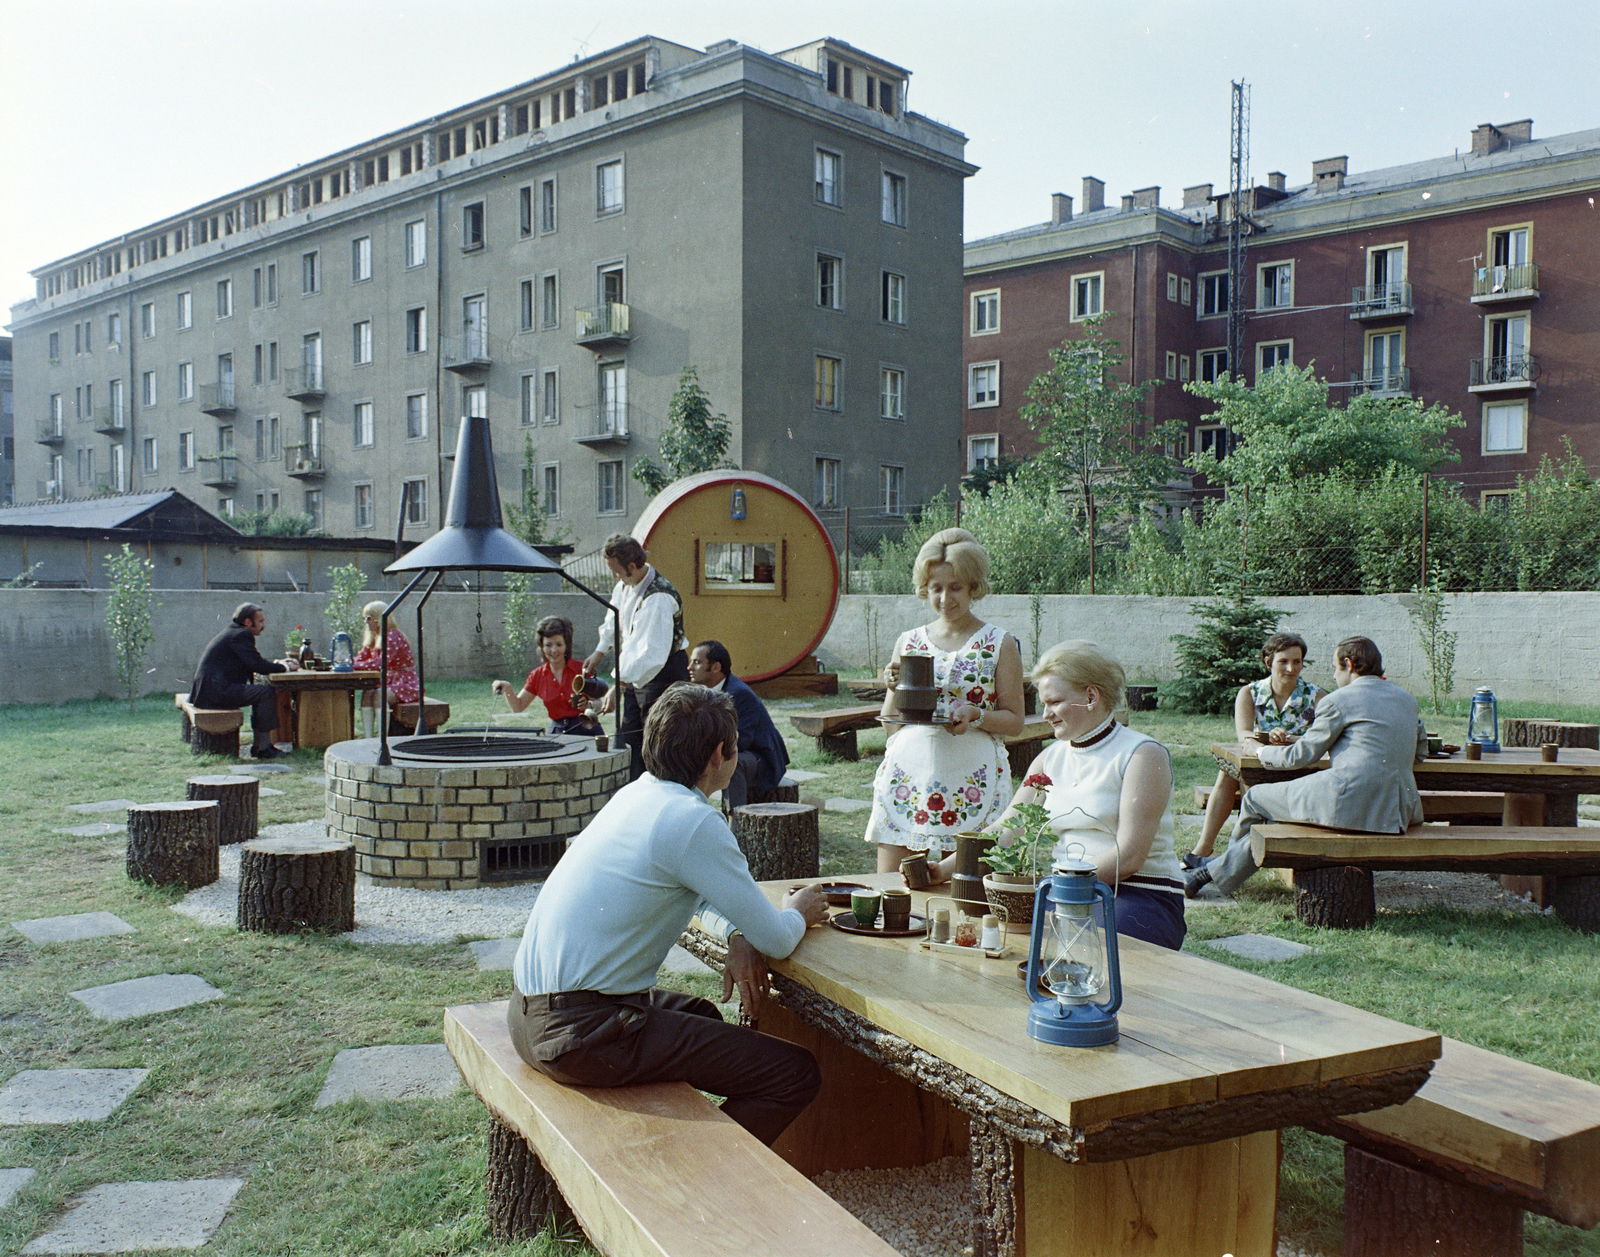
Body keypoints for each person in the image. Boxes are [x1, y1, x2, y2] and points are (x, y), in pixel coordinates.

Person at [507, 682, 830, 1146]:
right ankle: (705, 1170)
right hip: (580, 1037)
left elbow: (698, 897)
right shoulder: (694, 821)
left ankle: (698, 1136)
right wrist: (799, 910)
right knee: (794, 1073)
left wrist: (739, 931)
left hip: (529, 1017)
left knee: (701, 1013)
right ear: (719, 755)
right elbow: (779, 939)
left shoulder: (638, 794)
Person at [1184, 636, 1427, 900]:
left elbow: (1301, 756)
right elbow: (1421, 754)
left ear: (1348, 664)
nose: (1334, 677)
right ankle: (1215, 869)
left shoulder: (1338, 700)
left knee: (1255, 798)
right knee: (1277, 817)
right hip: (1399, 810)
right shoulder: (1407, 699)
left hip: (1347, 803)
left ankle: (1215, 871)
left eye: (1335, 668)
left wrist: (1260, 751)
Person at [983, 640, 1185, 949]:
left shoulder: (1142, 754)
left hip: (1138, 894)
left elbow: (1129, 856)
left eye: (1054, 702)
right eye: (1043, 704)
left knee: (1081, 950)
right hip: (1064, 892)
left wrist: (1055, 887)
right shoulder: (1049, 759)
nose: (1046, 714)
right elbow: (1009, 829)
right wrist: (944, 867)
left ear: (1091, 696)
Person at [865, 528, 1025, 872]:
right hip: (911, 775)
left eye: (955, 587)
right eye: (936, 588)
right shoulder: (908, 641)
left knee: (969, 886)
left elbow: (1015, 721)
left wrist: (976, 715)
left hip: (974, 775)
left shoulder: (999, 643)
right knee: (895, 885)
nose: (945, 598)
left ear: (973, 588)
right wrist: (893, 687)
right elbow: (890, 726)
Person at [1185, 632, 1325, 870]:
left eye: (1297, 661)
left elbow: (1324, 739)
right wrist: (1265, 739)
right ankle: (1208, 848)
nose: (1291, 668)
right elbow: (1245, 736)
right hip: (1262, 764)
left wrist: (1290, 739)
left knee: (1234, 773)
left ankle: (1224, 853)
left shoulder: (1317, 696)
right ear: (1268, 662)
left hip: (1301, 769)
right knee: (1230, 770)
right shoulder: (1249, 693)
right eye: (1283, 661)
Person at [583, 534, 690, 780]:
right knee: (629, 736)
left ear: (632, 566)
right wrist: (601, 650)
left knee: (657, 741)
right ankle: (632, 790)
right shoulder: (625, 585)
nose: (614, 577)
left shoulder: (658, 598)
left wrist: (619, 684)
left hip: (664, 675)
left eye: (616, 570)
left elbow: (650, 654)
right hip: (636, 674)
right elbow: (614, 618)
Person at [687, 640, 790, 813]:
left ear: (716, 667)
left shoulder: (738, 693)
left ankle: (736, 822)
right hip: (740, 749)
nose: (690, 667)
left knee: (732, 762)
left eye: (697, 662)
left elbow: (741, 740)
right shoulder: (706, 691)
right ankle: (694, 814)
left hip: (763, 759)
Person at [188, 602, 299, 759]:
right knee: (265, 693)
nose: (264, 625)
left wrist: (278, 664)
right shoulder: (241, 635)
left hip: (210, 692)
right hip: (216, 693)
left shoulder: (233, 633)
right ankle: (264, 748)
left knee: (260, 692)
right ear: (248, 622)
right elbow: (257, 665)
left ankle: (260, 746)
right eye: (260, 621)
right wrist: (286, 668)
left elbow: (254, 661)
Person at [492, 615, 602, 735]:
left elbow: (600, 704)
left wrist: (588, 705)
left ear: (566, 645)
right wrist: (508, 688)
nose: (554, 650)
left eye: (559, 645)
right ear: (542, 646)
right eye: (548, 645)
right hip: (558, 731)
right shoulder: (537, 675)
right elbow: (518, 706)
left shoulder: (582, 670)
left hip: (587, 728)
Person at [351, 601, 419, 738]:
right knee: (367, 693)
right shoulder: (373, 637)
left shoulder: (392, 636)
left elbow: (381, 663)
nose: (366, 622)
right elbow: (360, 658)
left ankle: (383, 739)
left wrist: (353, 665)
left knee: (379, 695)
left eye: (369, 618)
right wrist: (348, 662)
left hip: (404, 681)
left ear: (379, 618)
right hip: (387, 681)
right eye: (365, 618)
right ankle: (368, 738)